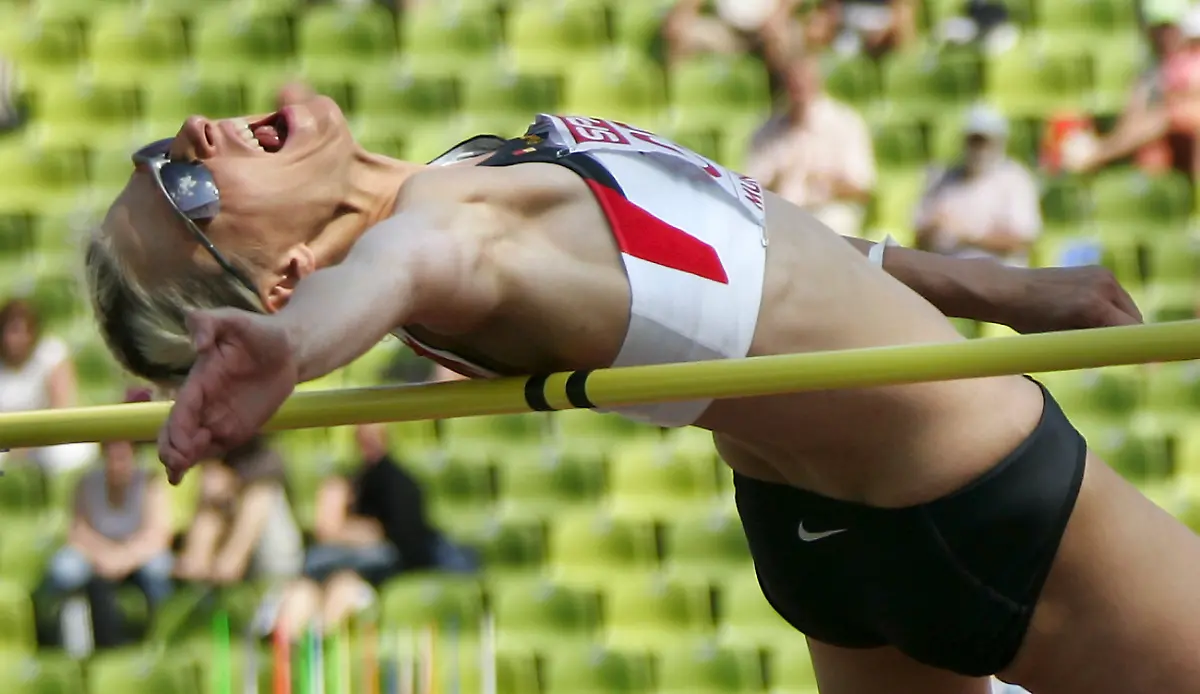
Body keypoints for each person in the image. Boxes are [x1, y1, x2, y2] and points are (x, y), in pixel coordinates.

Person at [85, 84, 1200, 693]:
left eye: (157, 152)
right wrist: (300, 348)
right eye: (186, 184)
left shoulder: (458, 181)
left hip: (821, 549)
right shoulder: (444, 234)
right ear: (282, 277)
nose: (187, 136)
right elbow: (401, 268)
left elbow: (747, 243)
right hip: (975, 497)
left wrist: (991, 286)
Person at [274, 423, 476, 639]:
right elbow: (326, 529)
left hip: (363, 575)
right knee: (300, 595)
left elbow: (403, 539)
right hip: (324, 570)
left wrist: (346, 530)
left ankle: (320, 646)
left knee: (343, 588)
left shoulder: (399, 483)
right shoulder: (343, 482)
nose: (368, 440)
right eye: (363, 435)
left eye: (374, 434)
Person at [38, 388, 174, 649]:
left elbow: (158, 534)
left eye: (122, 456)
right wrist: (106, 556)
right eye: (111, 455)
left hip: (135, 554)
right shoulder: (85, 483)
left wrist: (124, 557)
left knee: (160, 569)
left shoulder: (149, 483)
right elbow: (78, 531)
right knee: (65, 570)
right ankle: (67, 644)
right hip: (98, 555)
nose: (117, 463)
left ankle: (162, 638)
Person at [746, 52, 875, 237]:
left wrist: (826, 184)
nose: (798, 88)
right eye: (792, 82)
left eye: (804, 81)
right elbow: (753, 188)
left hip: (829, 210)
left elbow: (862, 188)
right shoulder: (766, 129)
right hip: (782, 213)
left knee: (833, 223)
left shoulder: (845, 122)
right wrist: (779, 180)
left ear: (817, 82)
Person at [914, 105, 1041, 266]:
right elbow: (918, 236)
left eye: (985, 141)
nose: (979, 148)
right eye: (974, 140)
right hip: (948, 274)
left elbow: (1022, 240)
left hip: (998, 277)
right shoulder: (941, 178)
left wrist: (968, 234)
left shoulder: (1016, 179)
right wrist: (933, 228)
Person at [173, 437, 303, 587]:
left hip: (268, 551)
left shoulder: (264, 457)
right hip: (219, 522)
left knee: (258, 499)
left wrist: (231, 483)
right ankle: (201, 580)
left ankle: (226, 568)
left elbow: (265, 478)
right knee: (209, 515)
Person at [0, 298, 92, 472]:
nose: (14, 339)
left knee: (71, 453)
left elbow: (62, 407)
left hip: (46, 438)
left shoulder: (52, 354)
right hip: (4, 441)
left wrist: (28, 444)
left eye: (21, 331)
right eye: (10, 331)